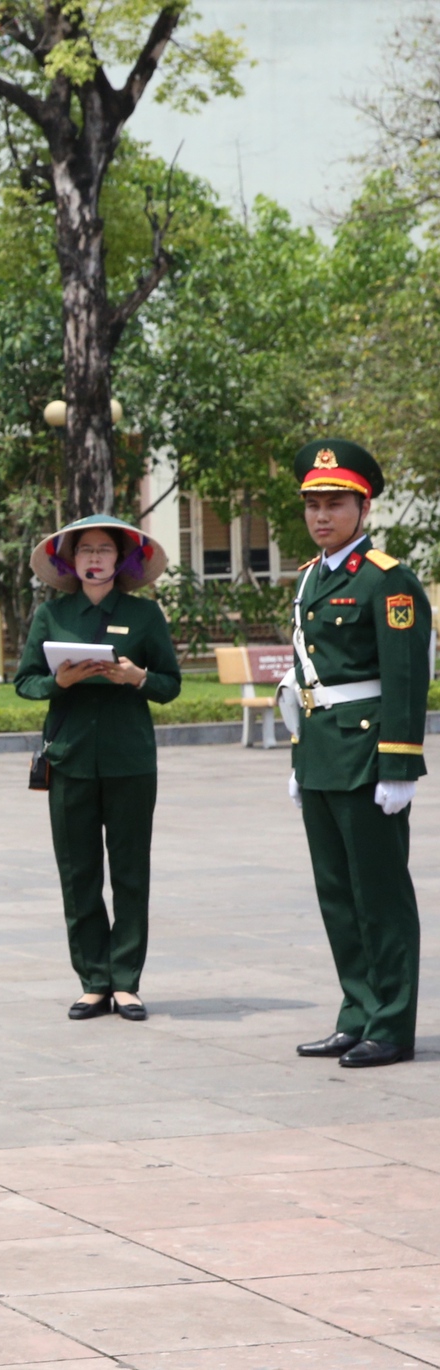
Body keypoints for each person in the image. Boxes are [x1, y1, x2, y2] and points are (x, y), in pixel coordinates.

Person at [284, 441, 428, 1067]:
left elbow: (403, 677)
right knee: (337, 893)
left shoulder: (386, 578)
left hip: (369, 753)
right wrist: (298, 759)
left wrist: (399, 764)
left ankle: (392, 1024)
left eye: (335, 504)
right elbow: (303, 676)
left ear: (362, 507)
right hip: (321, 752)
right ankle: (357, 1011)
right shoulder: (310, 578)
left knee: (381, 895)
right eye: (313, 504)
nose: (322, 516)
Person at [15, 514, 180, 1023]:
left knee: (131, 872)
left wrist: (137, 676)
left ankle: (126, 982)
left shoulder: (145, 616)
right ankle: (93, 981)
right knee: (79, 873)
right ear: (69, 559)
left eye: (104, 550)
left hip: (130, 760)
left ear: (122, 559)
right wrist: (58, 683)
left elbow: (170, 685)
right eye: (84, 549)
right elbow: (25, 682)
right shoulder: (52, 615)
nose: (94, 558)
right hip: (69, 760)